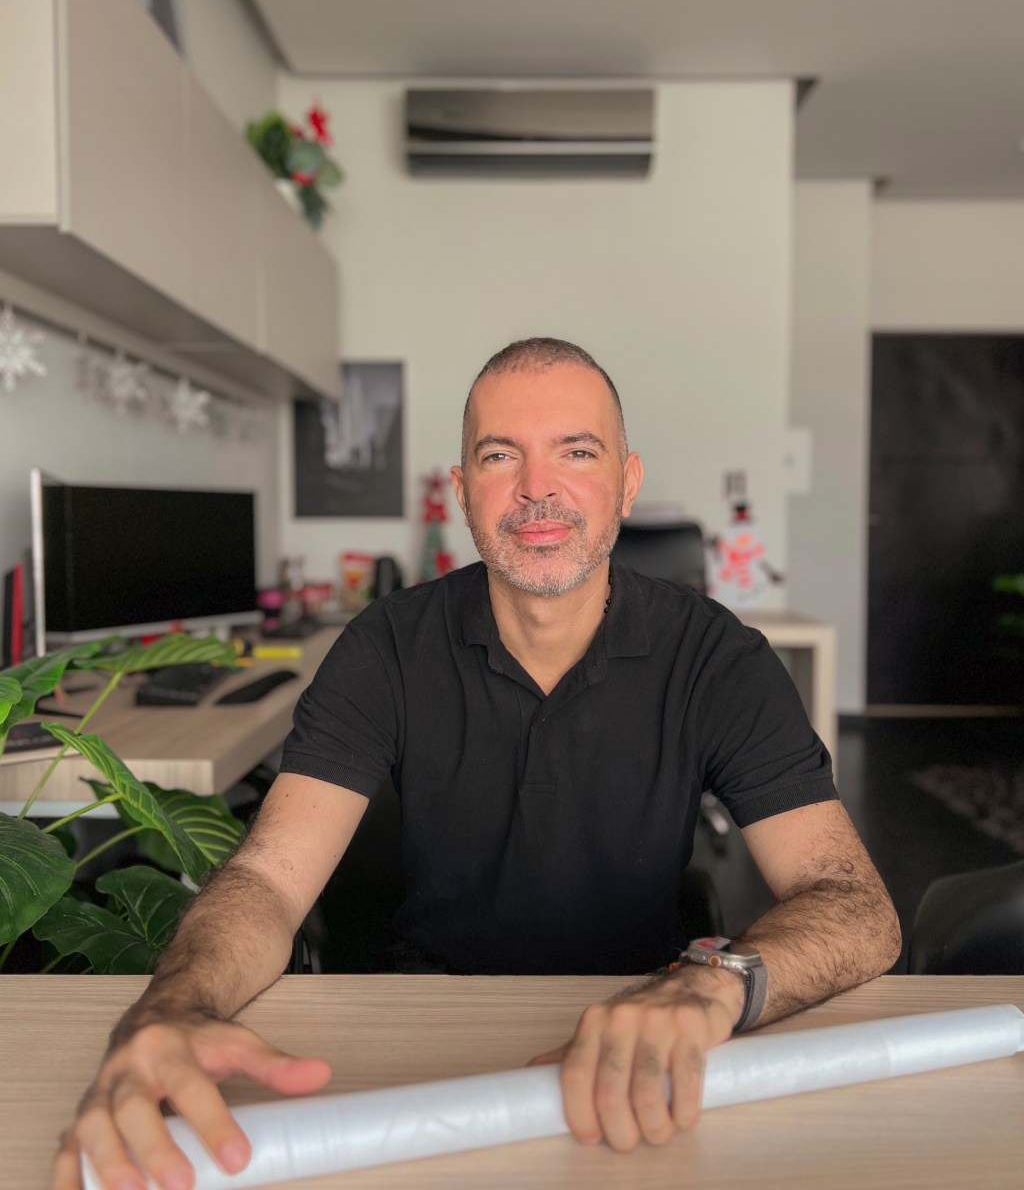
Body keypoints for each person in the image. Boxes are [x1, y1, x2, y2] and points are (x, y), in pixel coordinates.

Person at [55, 339, 901, 1190]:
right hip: (422, 1031)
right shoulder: (385, 647)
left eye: (577, 452)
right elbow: (269, 879)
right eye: (501, 457)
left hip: (640, 1034)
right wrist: (175, 1005)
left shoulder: (717, 658)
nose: (537, 488)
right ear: (462, 491)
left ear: (627, 482)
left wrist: (707, 987)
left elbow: (857, 907)